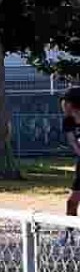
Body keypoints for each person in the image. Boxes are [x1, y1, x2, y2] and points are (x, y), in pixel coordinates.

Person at [59, 87, 80, 245]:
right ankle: (69, 234)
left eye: (65, 103)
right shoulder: (68, 121)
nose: (62, 106)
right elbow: (73, 142)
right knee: (72, 201)